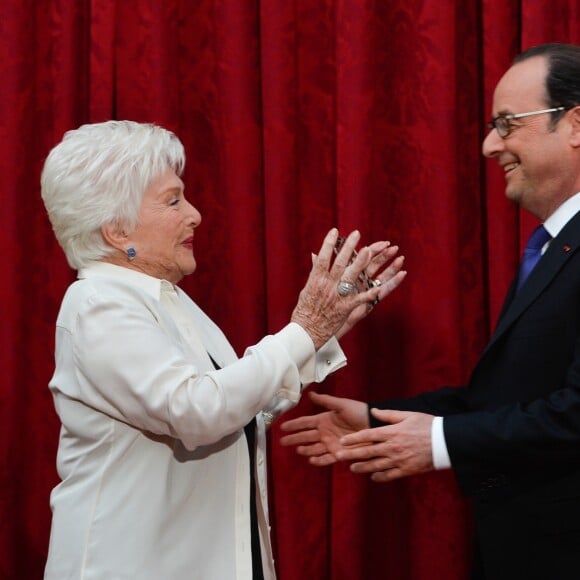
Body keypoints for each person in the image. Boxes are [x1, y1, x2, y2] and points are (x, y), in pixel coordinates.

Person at [39, 120, 406, 580]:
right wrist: (303, 331)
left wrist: (324, 333)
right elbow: (197, 412)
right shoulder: (98, 303)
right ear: (116, 229)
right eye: (173, 200)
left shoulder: (167, 299)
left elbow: (237, 412)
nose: (194, 214)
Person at [280, 42, 580, 580]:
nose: (490, 145)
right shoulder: (552, 245)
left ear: (576, 124)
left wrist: (438, 443)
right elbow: (510, 399)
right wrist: (376, 422)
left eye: (508, 124)